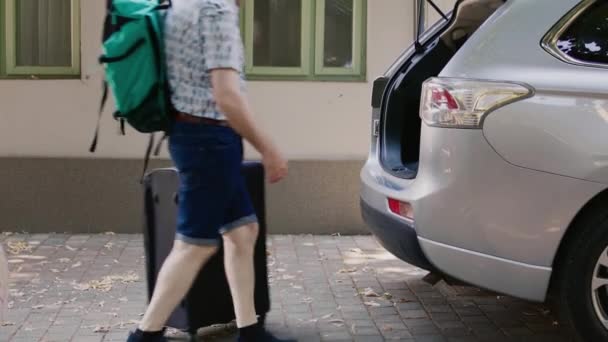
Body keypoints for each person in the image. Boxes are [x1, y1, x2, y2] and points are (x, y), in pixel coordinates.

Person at [127, 0, 291, 341]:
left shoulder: (181, 5)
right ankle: (144, 335)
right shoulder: (216, 11)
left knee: (243, 231)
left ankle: (249, 330)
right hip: (209, 140)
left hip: (192, 134)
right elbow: (227, 96)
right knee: (195, 245)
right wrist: (269, 148)